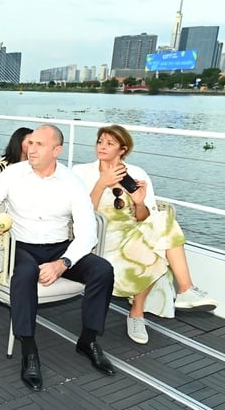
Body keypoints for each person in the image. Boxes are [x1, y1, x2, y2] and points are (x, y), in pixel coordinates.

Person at [0, 124, 116, 391]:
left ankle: (88, 340)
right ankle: (28, 349)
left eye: (39, 144)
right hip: (21, 245)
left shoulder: (72, 182)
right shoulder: (13, 173)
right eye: (31, 143)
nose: (31, 148)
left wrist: (63, 264)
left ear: (57, 150)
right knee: (25, 273)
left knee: (102, 269)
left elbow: (88, 234)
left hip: (59, 248)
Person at [72, 124, 217, 344]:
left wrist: (139, 202)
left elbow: (143, 217)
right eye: (100, 141)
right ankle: (181, 291)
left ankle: (142, 310)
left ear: (123, 149)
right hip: (100, 236)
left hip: (132, 232)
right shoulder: (81, 172)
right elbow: (81, 214)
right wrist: (101, 184)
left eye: (109, 143)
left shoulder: (137, 173)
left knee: (162, 223)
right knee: (155, 248)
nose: (102, 146)